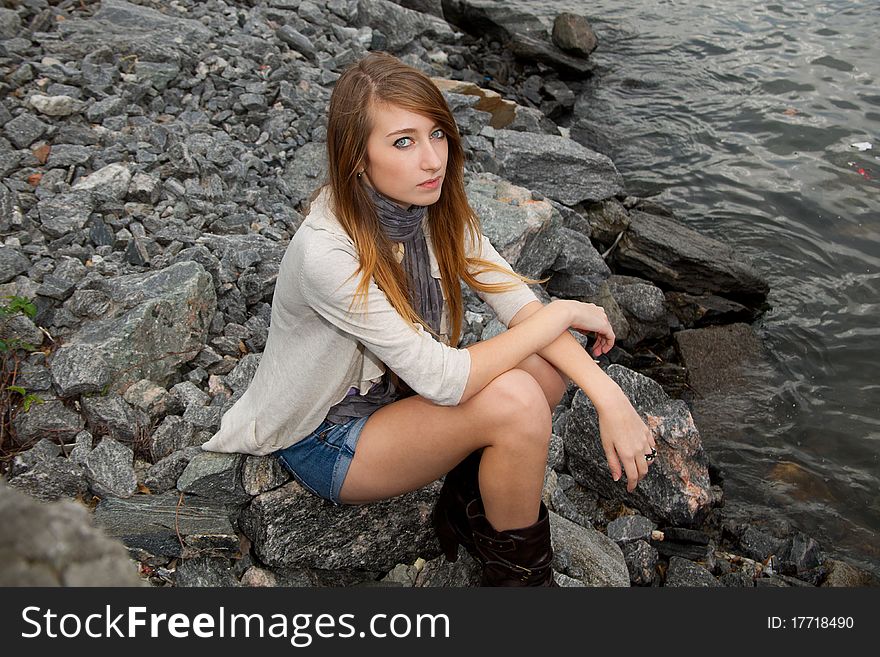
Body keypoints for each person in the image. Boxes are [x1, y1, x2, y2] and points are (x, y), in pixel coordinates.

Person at [202, 52, 657, 587]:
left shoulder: (432, 211)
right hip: (326, 437)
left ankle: (468, 506)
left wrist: (606, 393)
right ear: (356, 157)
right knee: (516, 401)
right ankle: (517, 584)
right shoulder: (327, 252)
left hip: (395, 396)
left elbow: (516, 305)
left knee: (545, 369)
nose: (432, 160)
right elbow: (444, 379)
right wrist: (564, 314)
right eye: (403, 142)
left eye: (436, 134)